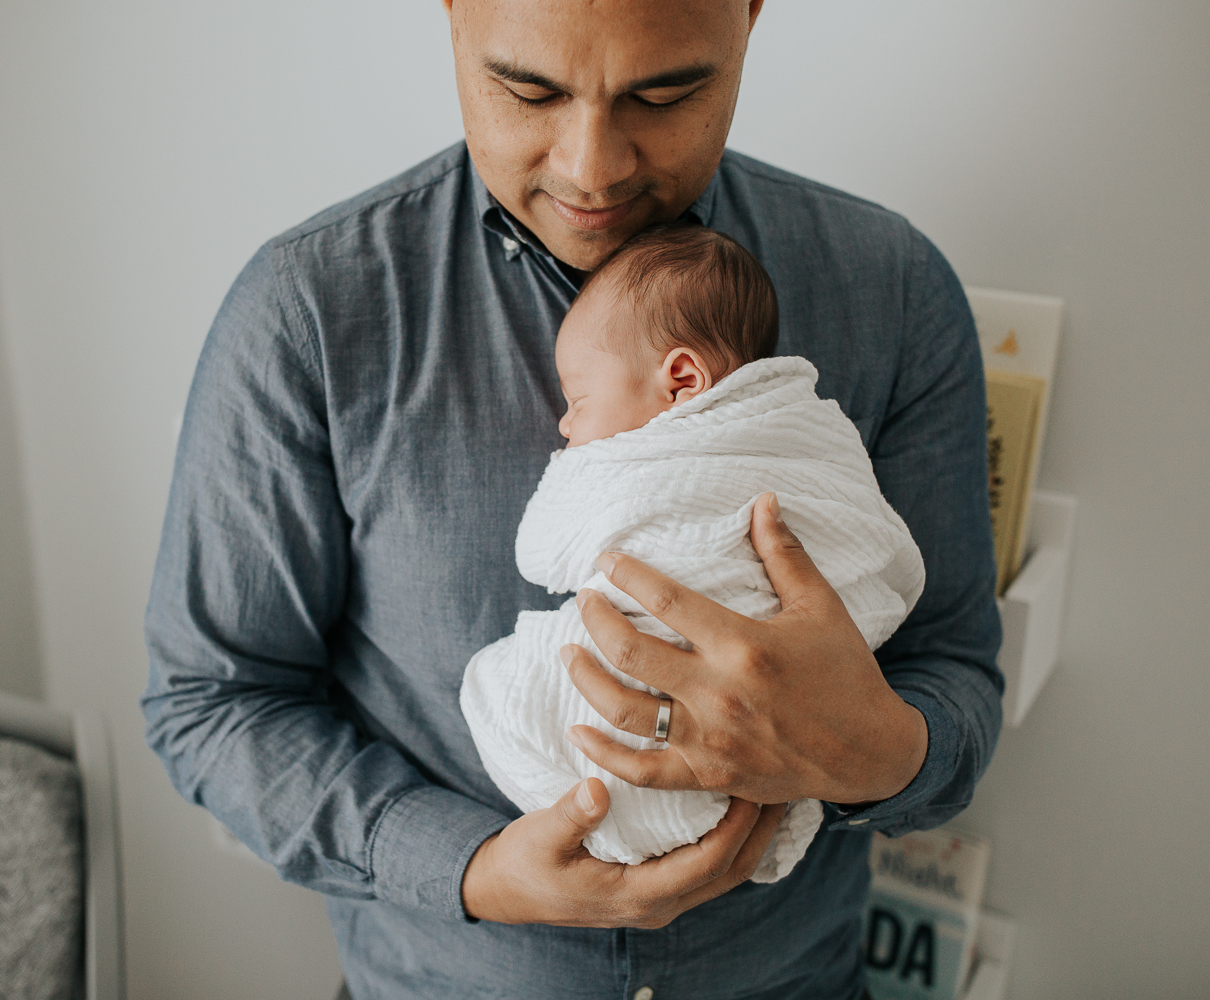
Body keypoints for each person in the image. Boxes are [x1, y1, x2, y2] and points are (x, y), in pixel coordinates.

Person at [142, 0, 1002, 996]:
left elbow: (954, 673)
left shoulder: (893, 290)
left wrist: (874, 748)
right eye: (529, 89)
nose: (592, 167)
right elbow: (211, 701)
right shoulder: (305, 315)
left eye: (665, 91)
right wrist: (472, 869)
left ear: (753, 15)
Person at [459, 222, 926, 876]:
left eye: (579, 400)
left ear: (681, 378)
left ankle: (586, 820)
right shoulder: (815, 431)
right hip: (763, 795)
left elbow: (543, 553)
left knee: (491, 688)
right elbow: (870, 547)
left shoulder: (631, 472)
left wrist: (877, 753)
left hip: (656, 769)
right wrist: (483, 879)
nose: (566, 426)